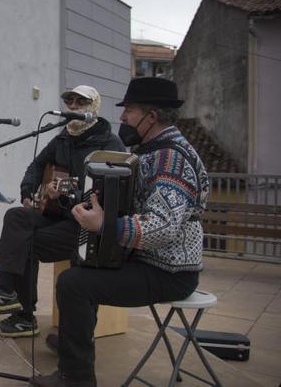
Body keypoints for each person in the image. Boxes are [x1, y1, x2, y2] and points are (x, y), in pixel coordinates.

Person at [30, 77, 209, 387]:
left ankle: (77, 377)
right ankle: (77, 343)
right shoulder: (153, 152)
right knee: (82, 260)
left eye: (129, 110)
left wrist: (105, 225)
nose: (123, 117)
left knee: (74, 283)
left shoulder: (170, 158)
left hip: (170, 270)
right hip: (150, 260)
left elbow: (163, 227)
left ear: (151, 117)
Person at [0, 85, 124, 338]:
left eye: (80, 102)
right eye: (69, 101)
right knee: (16, 217)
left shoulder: (110, 143)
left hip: (87, 226)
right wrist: (29, 192)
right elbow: (37, 164)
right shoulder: (63, 137)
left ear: (93, 107)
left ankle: (26, 318)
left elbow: (113, 190)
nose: (72, 106)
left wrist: (67, 190)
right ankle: (5, 290)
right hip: (59, 216)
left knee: (24, 242)